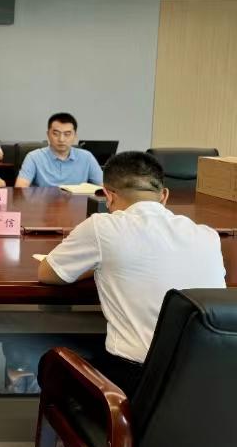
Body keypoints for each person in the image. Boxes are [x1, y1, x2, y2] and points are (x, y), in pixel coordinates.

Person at [37, 151, 225, 396]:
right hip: (212, 379)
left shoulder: (102, 227)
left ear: (108, 196)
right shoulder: (207, 235)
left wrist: (99, 264)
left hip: (137, 383)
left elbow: (49, 273)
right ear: (164, 195)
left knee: (51, 364)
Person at [15, 112, 102, 188]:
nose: (61, 139)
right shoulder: (33, 157)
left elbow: (105, 187)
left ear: (75, 136)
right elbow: (20, 189)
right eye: (56, 134)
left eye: (67, 134)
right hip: (43, 202)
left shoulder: (87, 157)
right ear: (48, 135)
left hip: (77, 202)